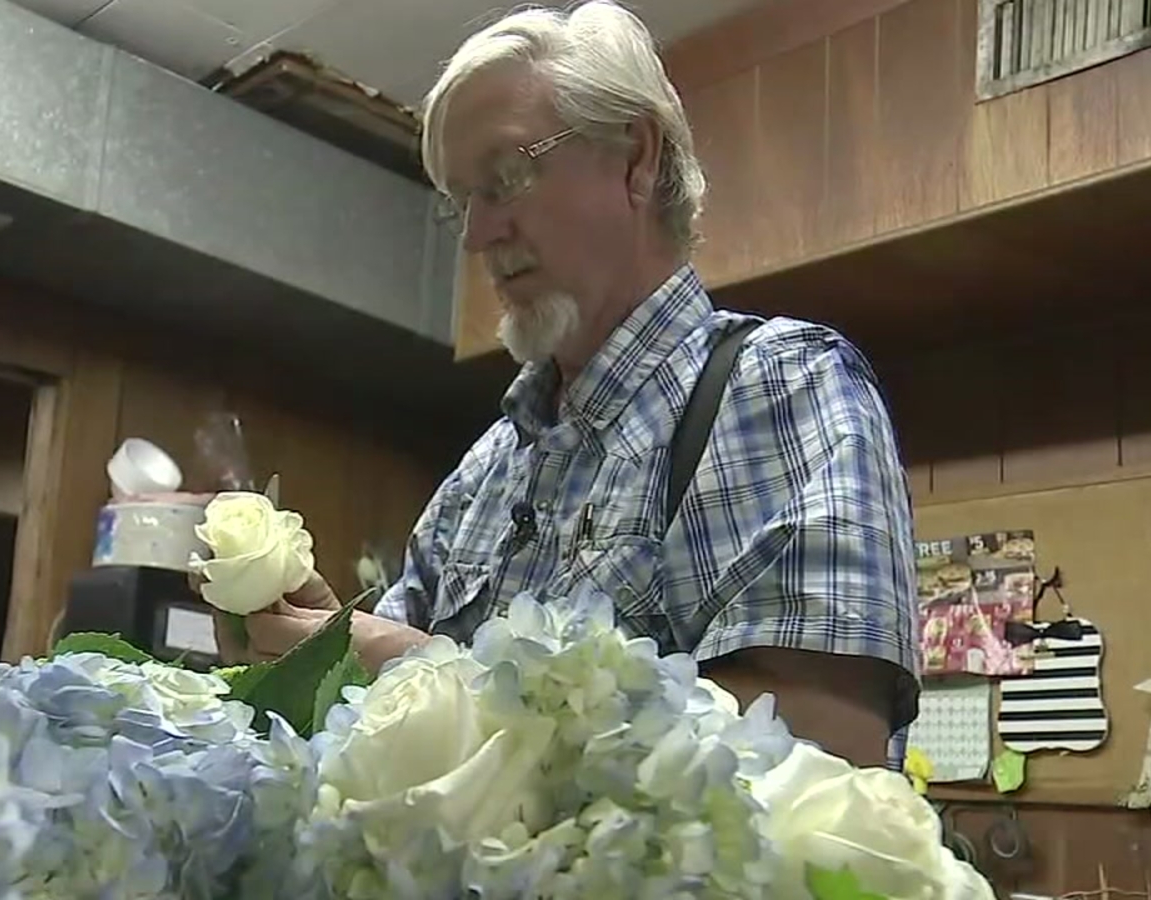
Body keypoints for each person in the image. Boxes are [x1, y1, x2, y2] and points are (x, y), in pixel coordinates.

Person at [217, 0, 919, 767]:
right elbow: (375, 722)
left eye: (508, 176)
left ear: (635, 159)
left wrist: (429, 671)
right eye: (464, 204)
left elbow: (822, 757)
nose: (480, 236)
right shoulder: (485, 471)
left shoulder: (779, 386)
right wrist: (327, 648)